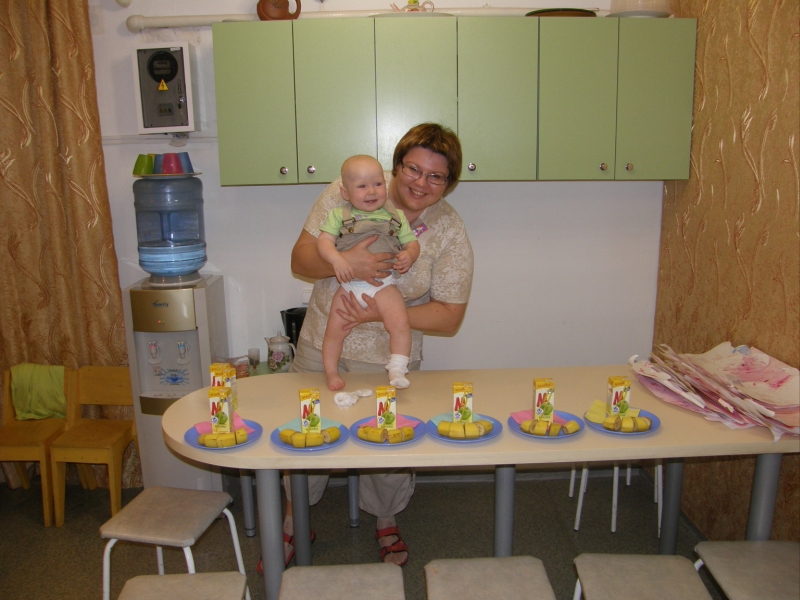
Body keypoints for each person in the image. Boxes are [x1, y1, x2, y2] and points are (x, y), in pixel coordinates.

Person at [284, 123, 473, 568]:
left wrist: (379, 314)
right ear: (397, 165)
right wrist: (345, 262)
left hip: (390, 359)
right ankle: (293, 521)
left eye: (436, 176)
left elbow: (449, 315)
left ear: (449, 183)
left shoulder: (447, 229)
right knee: (305, 436)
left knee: (388, 446)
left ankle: (386, 520)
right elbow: (300, 259)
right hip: (322, 345)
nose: (420, 183)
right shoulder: (352, 187)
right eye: (413, 169)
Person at [317, 155, 420, 391]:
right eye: (362, 186)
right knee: (334, 332)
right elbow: (323, 242)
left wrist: (410, 255)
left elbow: (412, 243)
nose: (372, 191)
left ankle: (397, 368)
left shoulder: (397, 217)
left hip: (384, 285)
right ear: (345, 193)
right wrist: (337, 260)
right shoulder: (339, 215)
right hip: (349, 286)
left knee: (400, 323)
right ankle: (331, 372)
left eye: (378, 184)